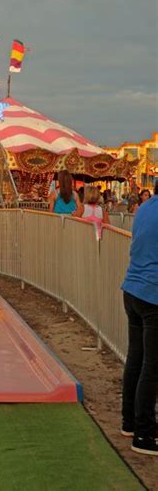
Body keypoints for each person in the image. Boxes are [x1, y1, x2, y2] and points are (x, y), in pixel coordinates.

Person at [120, 179, 158, 456]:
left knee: (136, 359)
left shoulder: (145, 207)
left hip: (132, 290)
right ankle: (144, 435)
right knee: (152, 367)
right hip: (152, 295)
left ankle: (130, 422)